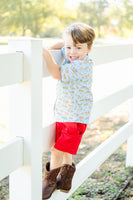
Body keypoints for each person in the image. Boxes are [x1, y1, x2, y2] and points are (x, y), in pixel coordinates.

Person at [42, 22, 95, 199]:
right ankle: (65, 182)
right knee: (65, 150)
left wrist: (45, 53)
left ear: (89, 48)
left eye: (78, 47)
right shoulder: (74, 55)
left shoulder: (82, 66)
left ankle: (49, 183)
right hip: (65, 114)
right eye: (69, 47)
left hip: (75, 118)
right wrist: (65, 42)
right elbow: (61, 47)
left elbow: (56, 74)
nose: (72, 52)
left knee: (57, 150)